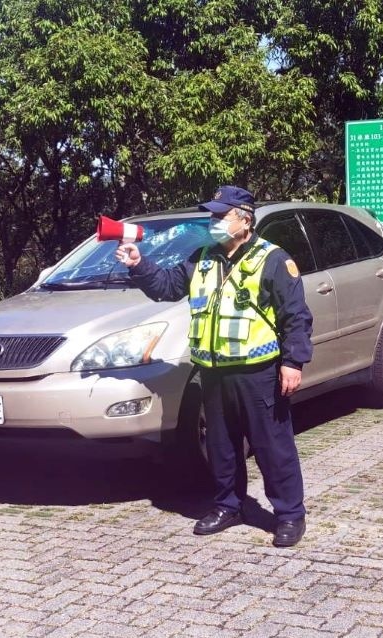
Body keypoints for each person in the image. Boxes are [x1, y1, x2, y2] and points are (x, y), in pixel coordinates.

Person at [115, 185, 314, 547]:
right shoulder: (202, 258)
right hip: (213, 370)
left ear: (245, 219)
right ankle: (228, 505)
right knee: (221, 446)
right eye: (213, 215)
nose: (214, 221)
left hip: (258, 372)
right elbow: (166, 286)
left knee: (273, 446)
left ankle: (289, 515)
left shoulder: (273, 260)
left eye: (222, 215)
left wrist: (293, 362)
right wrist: (138, 264)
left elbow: (296, 316)